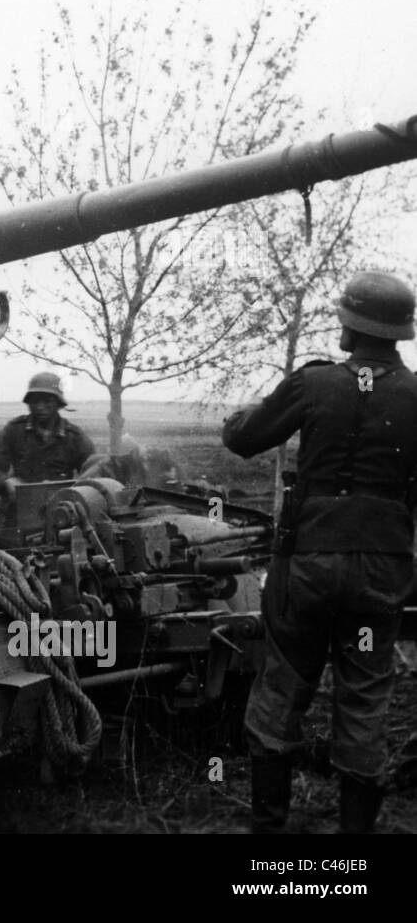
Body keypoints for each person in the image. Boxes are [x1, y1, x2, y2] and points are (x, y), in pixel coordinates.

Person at [222, 270, 417, 834]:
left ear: (351, 326)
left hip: (308, 566)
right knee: (364, 696)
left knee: (283, 685)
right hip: (380, 571)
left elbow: (242, 437)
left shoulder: (314, 383)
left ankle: (271, 844)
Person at [0, 372, 95, 530]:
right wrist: (6, 482)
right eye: (35, 401)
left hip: (63, 515)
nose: (40, 407)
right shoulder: (15, 430)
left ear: (58, 403)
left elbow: (93, 471)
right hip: (18, 514)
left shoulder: (74, 437)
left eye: (47, 401)